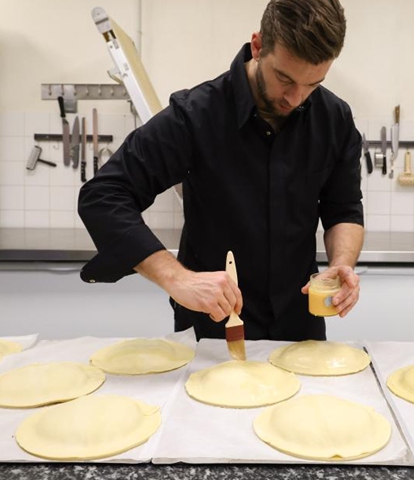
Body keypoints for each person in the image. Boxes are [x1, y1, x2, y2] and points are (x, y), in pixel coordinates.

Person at [78, 0, 364, 341]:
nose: (296, 99)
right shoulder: (196, 115)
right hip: (212, 325)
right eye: (284, 79)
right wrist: (176, 278)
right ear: (258, 46)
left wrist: (340, 264)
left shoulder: (335, 119)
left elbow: (343, 210)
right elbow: (104, 195)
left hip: (299, 324)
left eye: (313, 84)